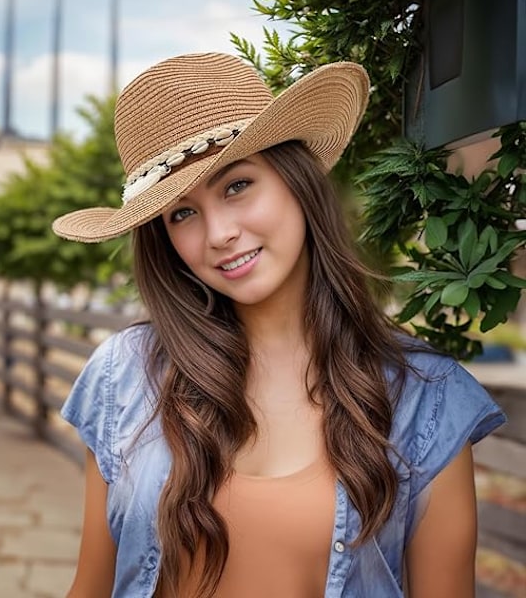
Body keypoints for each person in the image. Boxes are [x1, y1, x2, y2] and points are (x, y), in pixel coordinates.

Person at [52, 52, 506, 598]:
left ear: (296, 181)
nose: (218, 233)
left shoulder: (424, 399)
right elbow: (91, 586)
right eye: (181, 213)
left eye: (237, 186)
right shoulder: (122, 375)